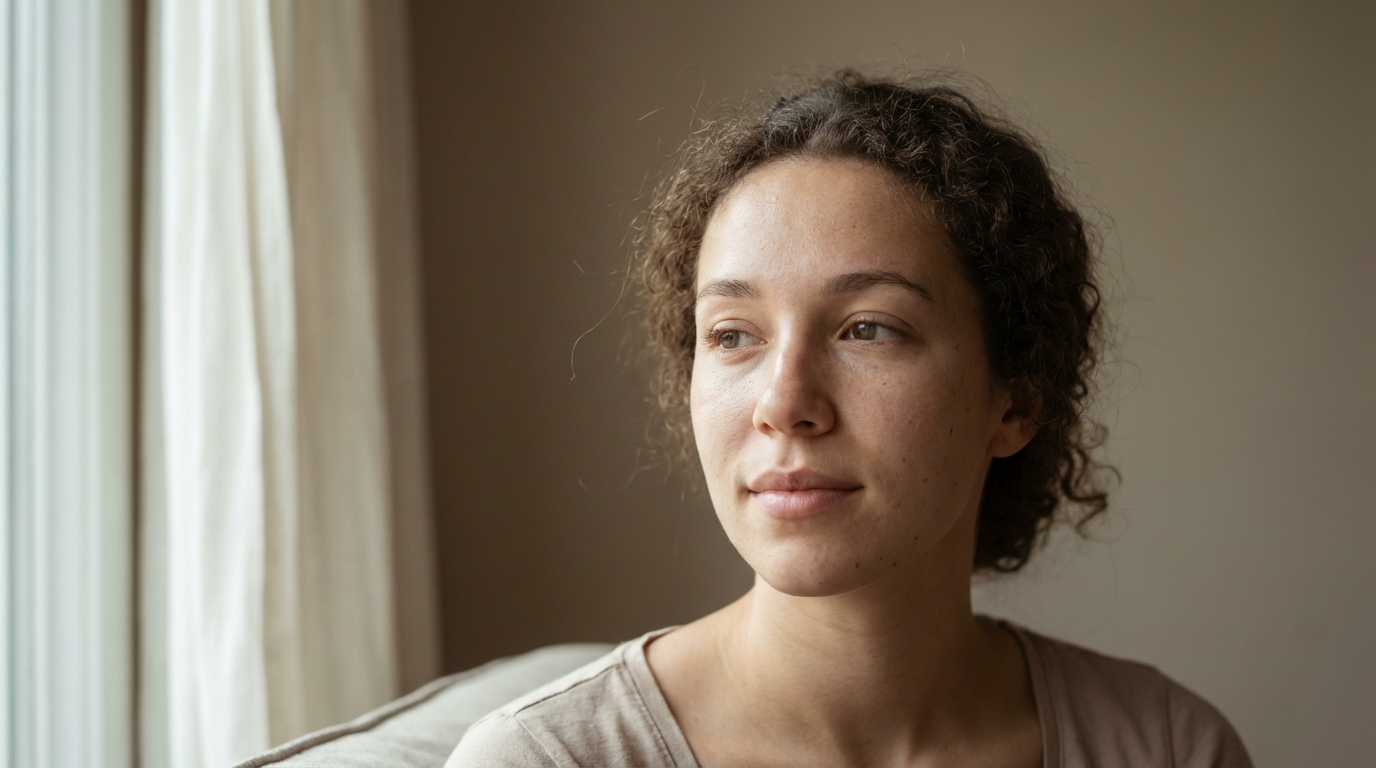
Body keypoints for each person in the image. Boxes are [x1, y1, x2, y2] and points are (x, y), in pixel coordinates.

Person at [447, 71, 1251, 768]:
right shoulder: (542, 758)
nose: (784, 403)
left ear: (1016, 400)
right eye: (732, 335)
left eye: (868, 328)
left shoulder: (1168, 747)